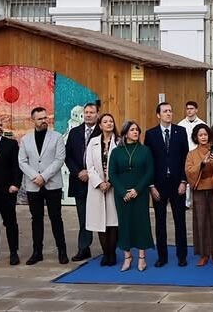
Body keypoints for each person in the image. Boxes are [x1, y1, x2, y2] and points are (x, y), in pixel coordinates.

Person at [19, 107, 68, 265]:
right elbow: (22, 161)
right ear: (33, 120)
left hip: (52, 184)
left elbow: (59, 159)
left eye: (45, 117)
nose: (44, 121)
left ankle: (62, 251)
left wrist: (44, 176)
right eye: (40, 119)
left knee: (56, 218)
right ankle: (37, 252)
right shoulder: (26, 139)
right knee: (36, 219)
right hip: (33, 186)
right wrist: (35, 177)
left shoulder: (57, 137)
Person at [144, 102, 190, 267]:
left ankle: (182, 255)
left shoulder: (180, 132)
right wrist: (151, 186)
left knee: (180, 221)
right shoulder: (151, 134)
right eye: (165, 111)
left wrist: (184, 181)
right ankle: (162, 256)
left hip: (178, 184)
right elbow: (148, 162)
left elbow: (186, 158)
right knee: (160, 222)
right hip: (159, 185)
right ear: (158, 115)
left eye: (170, 111)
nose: (169, 114)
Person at [110, 121, 154, 272]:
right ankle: (127, 257)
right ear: (125, 133)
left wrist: (137, 190)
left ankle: (142, 258)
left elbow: (149, 172)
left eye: (137, 130)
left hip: (139, 194)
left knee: (141, 223)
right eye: (132, 130)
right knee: (125, 224)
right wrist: (123, 192)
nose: (136, 132)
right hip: (122, 195)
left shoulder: (145, 150)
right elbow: (112, 174)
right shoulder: (116, 152)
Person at [184, 123, 213, 267]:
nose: (203, 137)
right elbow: (189, 171)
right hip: (200, 189)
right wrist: (202, 164)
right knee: (200, 221)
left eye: (205, 134)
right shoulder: (191, 154)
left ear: (209, 136)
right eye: (200, 135)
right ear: (196, 137)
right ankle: (204, 254)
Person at [65, 102, 98, 262]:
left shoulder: (103, 132)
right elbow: (68, 156)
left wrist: (90, 173)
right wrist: (78, 172)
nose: (89, 115)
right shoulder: (74, 132)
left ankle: (109, 248)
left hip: (98, 182)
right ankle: (83, 248)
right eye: (86, 112)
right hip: (79, 181)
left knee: (102, 217)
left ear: (97, 114)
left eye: (92, 112)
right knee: (83, 217)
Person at [85, 113, 119, 266]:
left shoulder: (119, 142)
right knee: (100, 221)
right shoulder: (93, 142)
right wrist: (100, 183)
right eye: (105, 121)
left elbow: (121, 166)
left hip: (113, 186)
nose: (109, 123)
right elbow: (89, 166)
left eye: (111, 121)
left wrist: (111, 182)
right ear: (100, 125)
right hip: (98, 188)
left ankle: (112, 253)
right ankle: (105, 253)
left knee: (113, 221)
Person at [0, 117, 21, 265]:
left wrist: (15, 184)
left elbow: (16, 167)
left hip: (7, 190)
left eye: (1, 125)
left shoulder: (11, 144)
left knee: (10, 222)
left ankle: (14, 253)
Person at [178, 101, 206, 209]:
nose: (189, 111)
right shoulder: (181, 124)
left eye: (192, 108)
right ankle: (186, 202)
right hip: (186, 154)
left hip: (198, 153)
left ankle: (199, 201)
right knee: (187, 176)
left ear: (196, 110)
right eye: (187, 109)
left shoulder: (202, 124)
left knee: (199, 176)